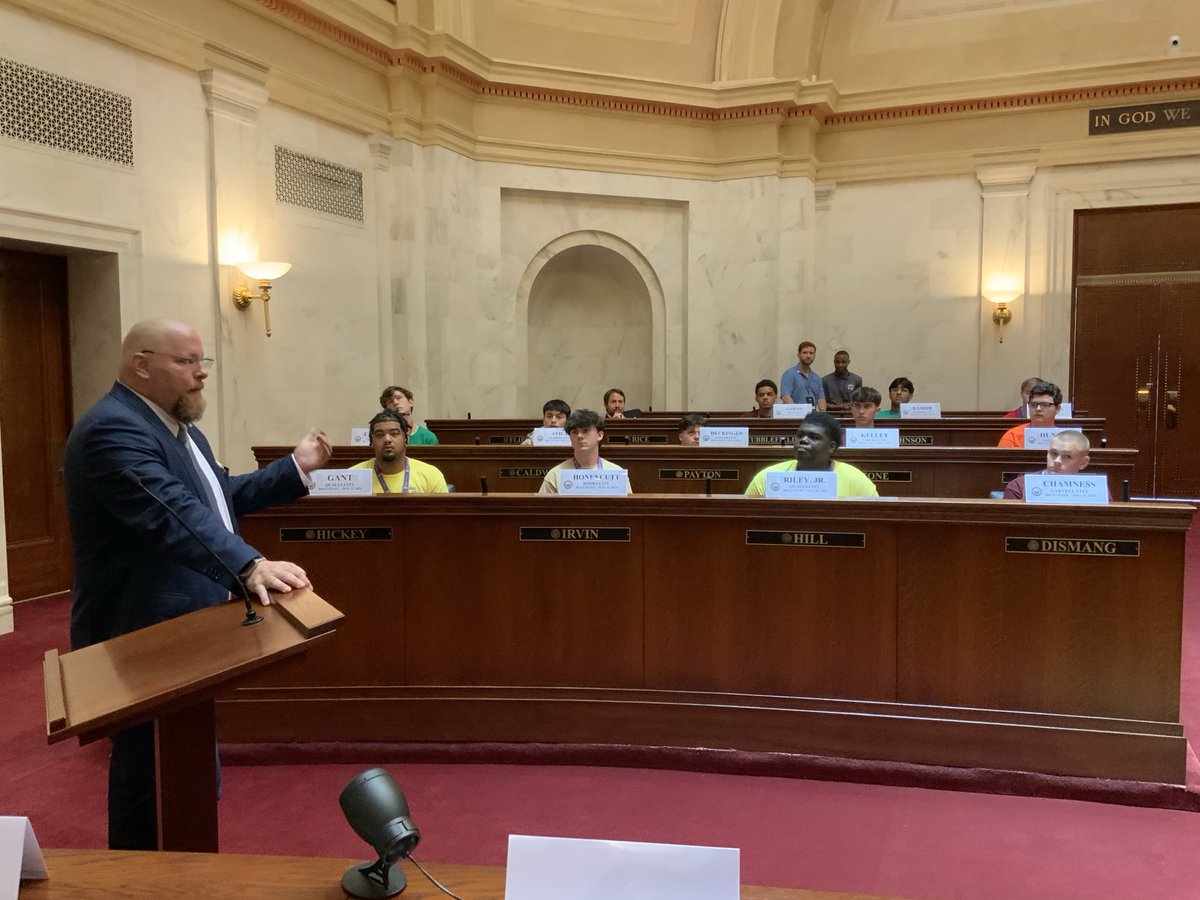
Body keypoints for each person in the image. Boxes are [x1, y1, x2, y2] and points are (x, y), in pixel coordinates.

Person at [63, 318, 333, 851]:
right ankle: (140, 880)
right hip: (141, 634)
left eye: (204, 362)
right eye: (187, 362)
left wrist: (293, 469)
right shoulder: (113, 429)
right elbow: (171, 513)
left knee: (178, 770)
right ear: (140, 364)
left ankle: (181, 871)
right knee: (148, 775)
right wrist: (250, 565)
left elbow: (215, 497)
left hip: (187, 631)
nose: (201, 374)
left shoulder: (176, 427)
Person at [744, 411, 879, 497]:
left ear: (831, 447)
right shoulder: (766, 478)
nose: (803, 441)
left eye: (814, 437)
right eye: (800, 435)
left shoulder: (857, 481)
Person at [351, 410, 448, 493]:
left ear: (405, 438)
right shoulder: (353, 476)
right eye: (380, 435)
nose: (387, 439)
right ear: (372, 442)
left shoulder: (431, 475)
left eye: (394, 433)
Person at [539, 408, 631, 494]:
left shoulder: (617, 473)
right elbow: (542, 509)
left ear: (600, 435)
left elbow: (629, 508)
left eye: (585, 430)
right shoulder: (555, 475)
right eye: (574, 432)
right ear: (569, 437)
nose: (579, 436)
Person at [1003, 430, 1098, 500]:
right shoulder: (1019, 486)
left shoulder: (1097, 490)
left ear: (1083, 463)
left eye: (1067, 456)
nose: (1057, 461)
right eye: (1054, 454)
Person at [997, 381, 1061, 447]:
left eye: (1045, 405)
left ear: (1057, 409)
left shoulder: (1066, 437)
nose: (1038, 409)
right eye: (1033, 405)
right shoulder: (1013, 436)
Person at [779, 341, 826, 409]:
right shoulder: (789, 374)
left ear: (815, 355)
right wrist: (797, 412)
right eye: (805, 352)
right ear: (798, 354)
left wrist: (823, 415)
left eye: (811, 353)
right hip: (794, 416)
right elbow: (785, 397)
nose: (808, 356)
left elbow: (821, 399)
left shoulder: (817, 378)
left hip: (812, 416)